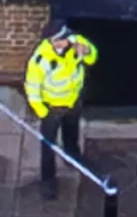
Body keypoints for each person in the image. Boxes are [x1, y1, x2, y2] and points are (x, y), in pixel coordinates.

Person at [22, 25, 97, 200]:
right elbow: (32, 88)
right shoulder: (42, 60)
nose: (68, 40)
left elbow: (92, 57)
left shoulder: (76, 42)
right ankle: (48, 180)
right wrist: (42, 112)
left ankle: (73, 157)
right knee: (48, 144)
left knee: (72, 132)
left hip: (73, 100)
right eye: (63, 38)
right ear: (53, 41)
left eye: (68, 37)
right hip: (52, 107)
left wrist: (87, 52)